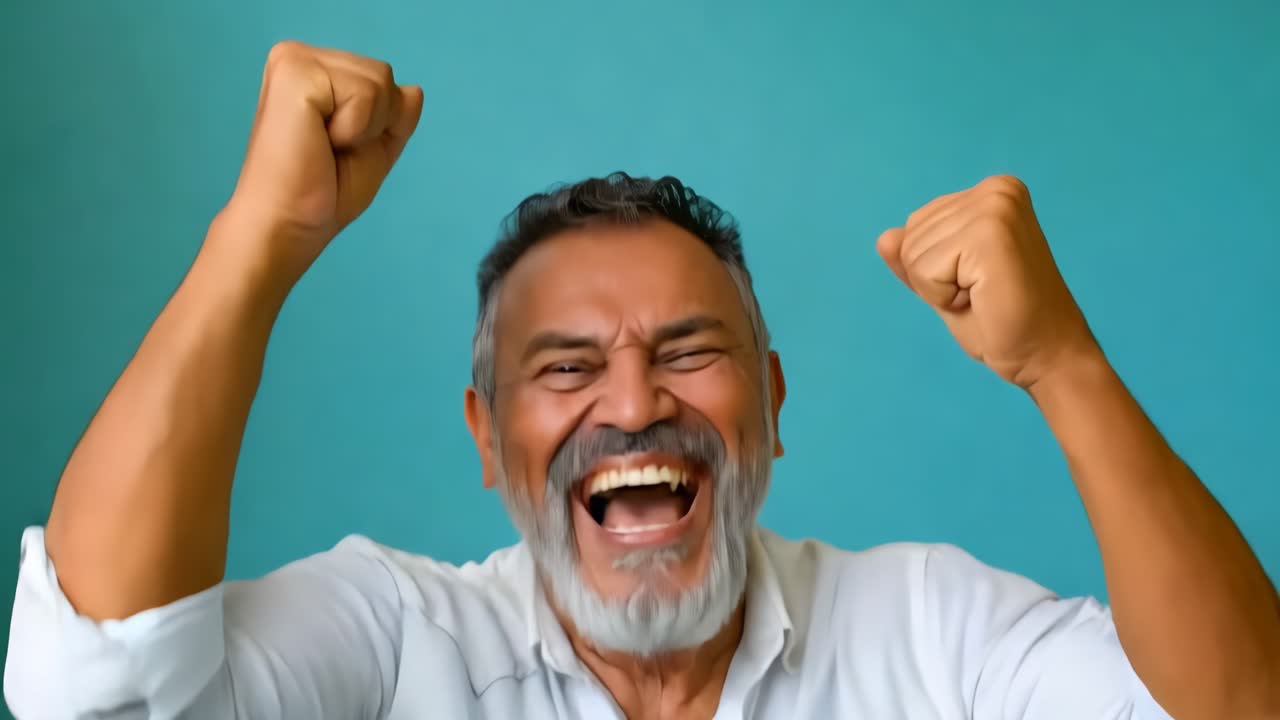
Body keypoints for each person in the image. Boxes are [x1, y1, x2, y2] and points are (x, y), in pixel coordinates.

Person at [4, 41, 1278, 720]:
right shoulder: (401, 643)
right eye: (564, 368)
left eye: (687, 351)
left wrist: (1061, 363)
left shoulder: (929, 635)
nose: (629, 405)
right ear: (484, 438)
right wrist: (255, 244)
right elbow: (89, 693)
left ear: (772, 403)